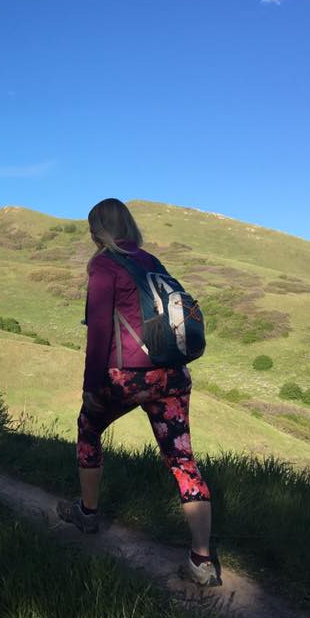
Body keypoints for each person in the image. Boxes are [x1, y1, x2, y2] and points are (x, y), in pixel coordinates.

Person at [56, 198, 220, 587]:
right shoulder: (151, 261)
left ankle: (89, 514)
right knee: (182, 460)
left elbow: (98, 333)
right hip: (172, 374)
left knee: (88, 428)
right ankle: (202, 561)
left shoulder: (103, 263)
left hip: (129, 376)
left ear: (97, 229)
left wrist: (90, 388)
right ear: (128, 224)